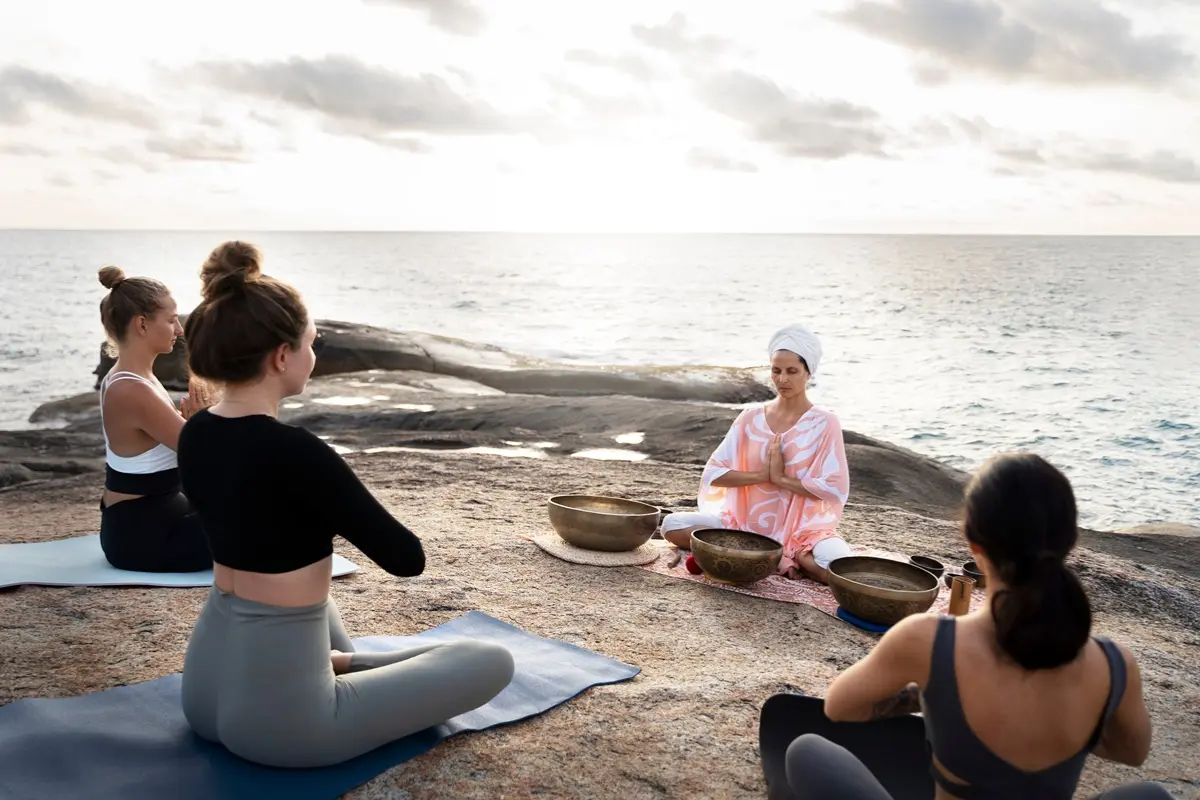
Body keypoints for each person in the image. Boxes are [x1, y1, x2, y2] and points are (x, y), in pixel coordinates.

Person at [176, 240, 514, 769]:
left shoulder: (195, 432)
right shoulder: (298, 452)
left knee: (318, 596)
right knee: (491, 660)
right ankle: (348, 663)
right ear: (282, 355)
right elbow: (407, 559)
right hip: (286, 728)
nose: (315, 355)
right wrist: (336, 500)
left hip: (203, 693)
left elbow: (251, 519)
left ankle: (337, 661)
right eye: (312, 343)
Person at [784, 453, 1167, 799]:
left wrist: (922, 698)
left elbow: (839, 708)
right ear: (1070, 542)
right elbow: (1131, 752)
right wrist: (1076, 722)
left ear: (973, 543)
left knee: (807, 750)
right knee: (1150, 795)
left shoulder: (929, 640)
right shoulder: (1116, 663)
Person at [660, 323, 851, 583]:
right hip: (741, 525)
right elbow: (715, 474)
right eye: (776, 370)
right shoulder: (750, 417)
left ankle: (790, 556)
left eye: (792, 371)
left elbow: (835, 488)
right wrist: (762, 475)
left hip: (803, 531)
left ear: (809, 372)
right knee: (672, 526)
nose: (783, 379)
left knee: (839, 564)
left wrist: (782, 480)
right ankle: (779, 559)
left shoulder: (824, 422)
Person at [95, 265, 215, 573]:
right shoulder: (132, 389)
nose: (180, 329)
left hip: (151, 520)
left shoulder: (134, 376)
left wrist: (193, 424)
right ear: (142, 325)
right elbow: (207, 454)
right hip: (145, 537)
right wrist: (201, 422)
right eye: (172, 319)